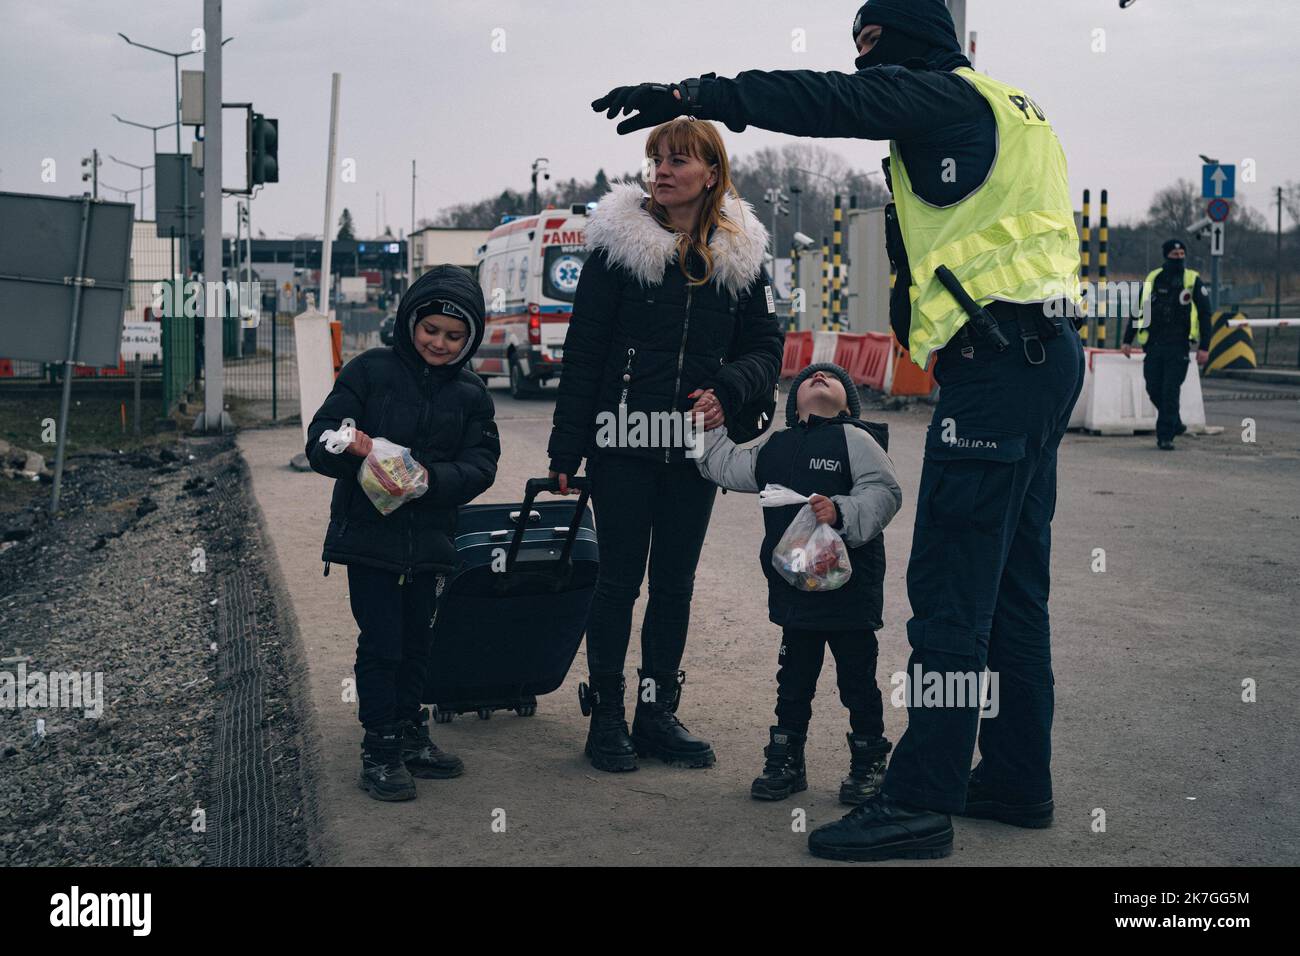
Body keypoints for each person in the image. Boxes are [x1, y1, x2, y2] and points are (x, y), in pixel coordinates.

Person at [592, 0, 1085, 861]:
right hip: (1041, 356)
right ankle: (1014, 777)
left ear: (915, 51)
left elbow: (828, 101)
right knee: (1012, 593)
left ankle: (919, 801)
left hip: (998, 362)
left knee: (949, 599)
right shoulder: (1019, 108)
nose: (867, 71)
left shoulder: (946, 98)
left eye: (877, 53)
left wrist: (694, 94)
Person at [546, 117, 784, 773]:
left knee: (674, 584)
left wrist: (728, 392)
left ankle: (655, 713)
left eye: (679, 159)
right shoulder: (615, 250)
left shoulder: (738, 256)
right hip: (620, 439)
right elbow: (585, 354)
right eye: (656, 157)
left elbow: (766, 349)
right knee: (617, 583)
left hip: (692, 444)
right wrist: (566, 451)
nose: (662, 168)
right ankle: (609, 719)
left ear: (711, 173)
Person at [306, 265, 500, 801]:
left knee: (420, 642)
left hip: (433, 541)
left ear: (471, 338)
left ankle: (413, 732)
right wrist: (353, 447)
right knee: (382, 643)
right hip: (369, 539)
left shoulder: (472, 394)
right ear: (411, 322)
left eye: (454, 336)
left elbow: (483, 463)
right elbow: (320, 439)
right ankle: (381, 746)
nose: (439, 343)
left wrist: (432, 481)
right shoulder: (369, 371)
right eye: (430, 329)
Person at [695, 364, 902, 804]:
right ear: (792, 406)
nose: (820, 377)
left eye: (832, 379)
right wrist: (707, 425)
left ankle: (869, 760)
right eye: (810, 377)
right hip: (796, 593)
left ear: (849, 404)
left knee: (857, 681)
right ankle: (786, 757)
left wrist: (842, 511)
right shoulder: (776, 446)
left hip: (851, 593)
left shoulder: (857, 439)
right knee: (793, 680)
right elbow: (724, 465)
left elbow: (884, 491)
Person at [1122, 239, 1212, 449]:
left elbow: (1206, 315)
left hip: (1179, 345)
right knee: (1153, 387)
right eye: (1174, 255)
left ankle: (1165, 437)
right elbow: (1139, 310)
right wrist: (1127, 340)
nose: (1179, 259)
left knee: (1170, 390)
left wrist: (1205, 346)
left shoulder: (1192, 280)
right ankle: (1174, 420)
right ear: (1166, 256)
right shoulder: (1154, 278)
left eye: (1182, 255)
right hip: (1154, 344)